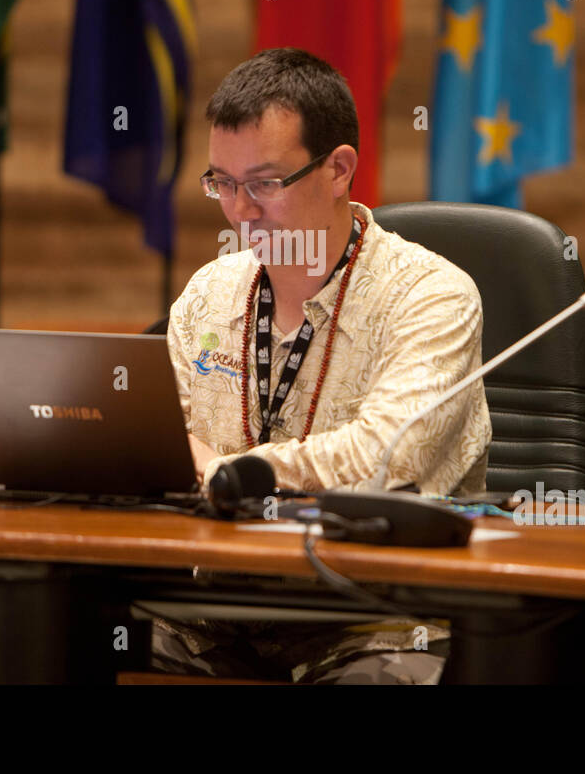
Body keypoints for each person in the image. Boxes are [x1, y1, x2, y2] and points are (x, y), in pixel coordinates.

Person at [156, 48, 492, 682]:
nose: (239, 211)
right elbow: (155, 439)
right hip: (213, 606)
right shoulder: (209, 292)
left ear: (339, 169)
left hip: (374, 613)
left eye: (263, 183)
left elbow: (386, 457)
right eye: (221, 183)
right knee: (67, 639)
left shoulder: (431, 296)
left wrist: (229, 470)